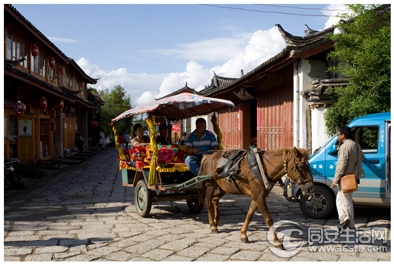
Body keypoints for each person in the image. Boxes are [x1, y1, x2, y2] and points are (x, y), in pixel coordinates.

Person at [331, 126, 364, 231]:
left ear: (343, 135)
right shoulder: (356, 145)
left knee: (341, 200)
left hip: (345, 177)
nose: (337, 136)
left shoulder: (344, 147)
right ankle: (351, 224)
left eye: (338, 134)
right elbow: (362, 157)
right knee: (347, 200)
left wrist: (335, 180)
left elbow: (341, 165)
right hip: (353, 177)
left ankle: (344, 219)